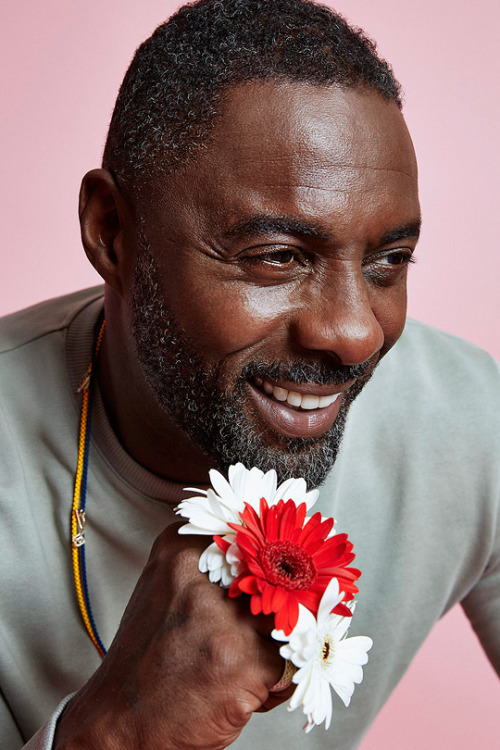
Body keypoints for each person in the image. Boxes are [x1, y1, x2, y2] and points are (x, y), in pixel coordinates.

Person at [0, 0, 498, 748]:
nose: (356, 334)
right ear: (112, 233)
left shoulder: (469, 419)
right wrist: (110, 734)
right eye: (277, 257)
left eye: (388, 262)